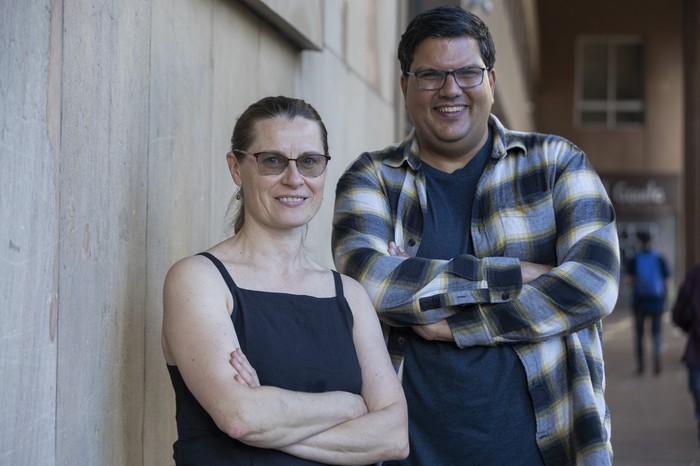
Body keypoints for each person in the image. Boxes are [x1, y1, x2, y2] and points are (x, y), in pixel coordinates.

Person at [331, 5, 620, 465]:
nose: (450, 90)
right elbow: (373, 286)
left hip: (545, 450)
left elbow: (594, 286)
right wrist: (518, 275)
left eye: (467, 72)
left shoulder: (557, 165)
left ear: (491, 80)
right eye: (430, 75)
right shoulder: (372, 179)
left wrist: (455, 326)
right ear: (405, 85)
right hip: (408, 453)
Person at [162, 96, 408, 465]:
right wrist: (350, 405)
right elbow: (242, 418)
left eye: (309, 162)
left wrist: (272, 417)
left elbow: (394, 437)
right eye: (272, 161)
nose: (294, 179)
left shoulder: (351, 296)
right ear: (236, 167)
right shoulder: (199, 280)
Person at [626, 231, 671, 375]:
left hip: (639, 302)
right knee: (656, 333)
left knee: (639, 335)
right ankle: (656, 360)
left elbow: (629, 280)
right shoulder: (659, 258)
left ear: (640, 242)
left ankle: (641, 367)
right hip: (656, 302)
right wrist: (665, 300)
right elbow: (666, 283)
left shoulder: (635, 259)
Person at [672, 262, 700, 444]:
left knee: (697, 389)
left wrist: (689, 328)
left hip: (696, 348)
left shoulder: (695, 274)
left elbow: (679, 312)